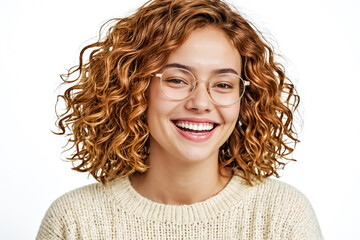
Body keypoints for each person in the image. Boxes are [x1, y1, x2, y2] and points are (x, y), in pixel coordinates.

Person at [36, 0, 323, 239]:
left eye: (223, 84)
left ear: (244, 99)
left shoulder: (283, 217)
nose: (200, 103)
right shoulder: (73, 222)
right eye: (176, 80)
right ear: (134, 88)